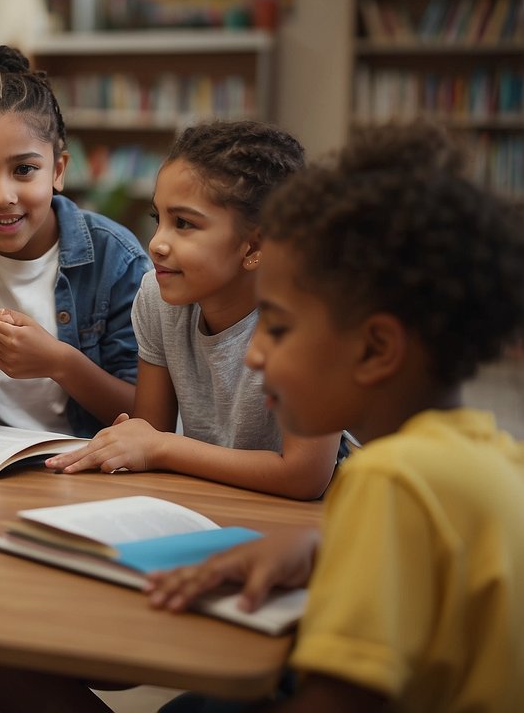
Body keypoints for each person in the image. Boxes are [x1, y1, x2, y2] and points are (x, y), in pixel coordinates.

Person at [144, 122, 524, 713]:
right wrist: (325, 550)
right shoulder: (488, 452)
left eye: (280, 326)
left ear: (375, 349)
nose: (254, 352)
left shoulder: (391, 480)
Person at [48, 121, 341, 500]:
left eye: (183, 224)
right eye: (159, 219)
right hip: (211, 501)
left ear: (254, 247)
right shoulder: (157, 296)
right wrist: (133, 442)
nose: (156, 244)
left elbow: (305, 476)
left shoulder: (309, 317)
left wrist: (163, 447)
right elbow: (150, 431)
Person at [0, 45, 150, 437]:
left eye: (24, 169)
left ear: (58, 170)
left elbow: (147, 418)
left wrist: (60, 363)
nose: (2, 195)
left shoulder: (116, 258)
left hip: (87, 469)